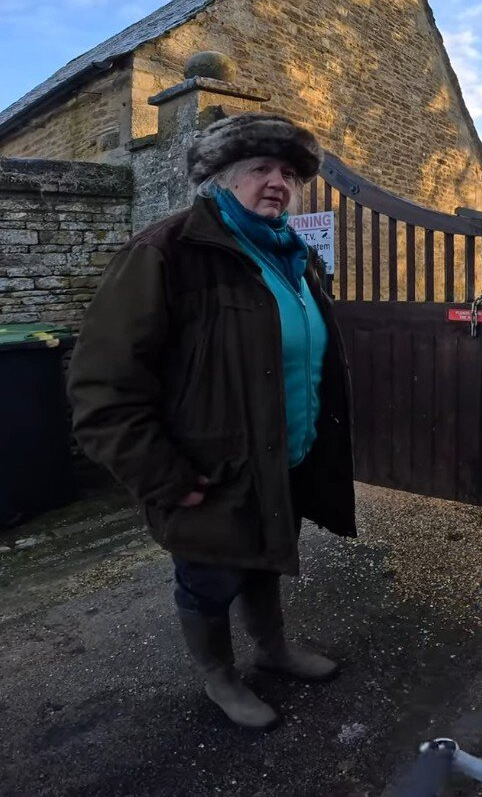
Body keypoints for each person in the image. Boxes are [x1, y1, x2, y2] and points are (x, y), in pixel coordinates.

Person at [67, 113, 355, 731]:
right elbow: (104, 387)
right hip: (207, 471)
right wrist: (163, 476)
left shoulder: (295, 259)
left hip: (281, 457)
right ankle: (220, 676)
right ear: (222, 178)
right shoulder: (167, 253)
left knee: (264, 554)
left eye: (290, 172)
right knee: (208, 580)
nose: (277, 182)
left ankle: (272, 650)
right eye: (259, 168)